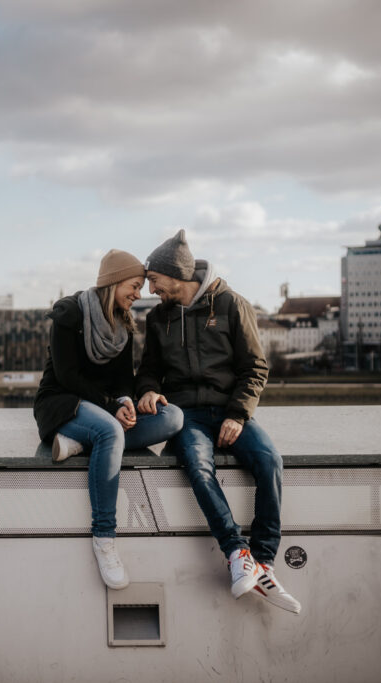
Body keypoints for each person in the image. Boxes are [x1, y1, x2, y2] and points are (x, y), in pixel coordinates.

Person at [135, 230, 301, 613]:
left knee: (270, 461)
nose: (152, 291)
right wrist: (146, 389)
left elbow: (255, 368)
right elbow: (148, 371)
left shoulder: (231, 305)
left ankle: (263, 562)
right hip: (187, 414)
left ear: (175, 275)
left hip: (230, 409)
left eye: (155, 282)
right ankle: (236, 553)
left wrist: (238, 415)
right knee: (197, 465)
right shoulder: (158, 319)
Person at [34, 249, 183, 590]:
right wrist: (110, 407)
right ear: (113, 282)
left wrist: (128, 400)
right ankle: (104, 537)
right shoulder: (69, 313)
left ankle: (80, 444)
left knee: (172, 418)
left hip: (104, 411)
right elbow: (67, 375)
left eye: (143, 287)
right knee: (110, 431)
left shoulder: (124, 324)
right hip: (63, 402)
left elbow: (122, 379)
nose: (139, 293)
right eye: (134, 285)